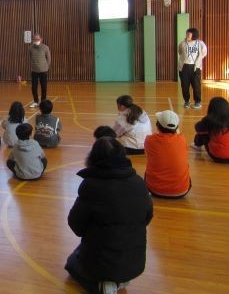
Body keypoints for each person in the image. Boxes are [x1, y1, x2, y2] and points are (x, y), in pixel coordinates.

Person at [65, 137, 153, 294]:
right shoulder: (139, 182)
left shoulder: (91, 185)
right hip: (135, 261)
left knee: (72, 263)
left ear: (93, 157)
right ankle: (120, 279)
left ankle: (105, 284)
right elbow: (148, 217)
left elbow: (76, 225)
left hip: (104, 259)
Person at [144, 110, 191, 198]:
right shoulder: (182, 139)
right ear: (176, 127)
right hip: (182, 190)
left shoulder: (149, 140)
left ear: (157, 125)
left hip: (155, 190)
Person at [193, 97, 229, 163]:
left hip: (219, 156)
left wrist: (205, 120)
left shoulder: (210, 119)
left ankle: (197, 144)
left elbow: (197, 128)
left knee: (203, 134)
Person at [177, 27, 208, 109]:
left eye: (189, 34)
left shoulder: (200, 43)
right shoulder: (183, 43)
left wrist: (198, 61)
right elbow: (179, 51)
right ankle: (186, 101)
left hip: (195, 67)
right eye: (186, 33)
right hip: (184, 67)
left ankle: (197, 102)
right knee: (184, 85)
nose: (187, 35)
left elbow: (204, 53)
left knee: (196, 85)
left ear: (194, 35)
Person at [29, 33, 51, 108]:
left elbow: (49, 58)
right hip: (34, 71)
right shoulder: (30, 48)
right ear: (33, 40)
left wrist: (46, 67)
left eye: (38, 39)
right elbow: (30, 57)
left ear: (41, 39)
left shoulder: (45, 47)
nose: (36, 41)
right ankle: (35, 101)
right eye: (35, 39)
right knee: (34, 87)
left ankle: (43, 102)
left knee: (44, 87)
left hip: (43, 71)